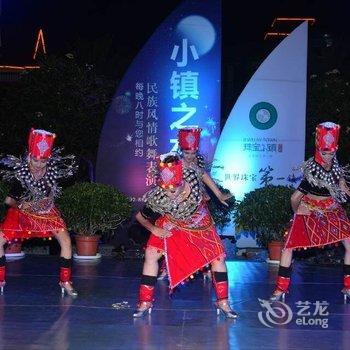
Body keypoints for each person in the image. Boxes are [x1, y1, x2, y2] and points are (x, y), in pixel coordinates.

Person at [133, 152, 237, 318]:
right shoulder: (159, 196)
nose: (171, 194)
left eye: (175, 189)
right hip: (172, 221)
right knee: (151, 253)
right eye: (167, 191)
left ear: (182, 181)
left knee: (218, 258)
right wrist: (154, 229)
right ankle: (145, 301)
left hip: (198, 221)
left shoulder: (192, 175)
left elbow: (203, 173)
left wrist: (218, 194)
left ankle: (223, 301)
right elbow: (140, 217)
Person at [269, 122, 350, 302]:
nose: (328, 157)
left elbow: (342, 187)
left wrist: (343, 190)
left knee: (349, 243)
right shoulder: (313, 170)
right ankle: (280, 289)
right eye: (325, 153)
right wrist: (297, 212)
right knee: (289, 248)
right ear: (318, 150)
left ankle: (348, 287)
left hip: (331, 209)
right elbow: (294, 197)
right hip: (309, 210)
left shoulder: (336, 167)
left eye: (331, 153)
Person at [0, 128, 78, 296]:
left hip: (45, 212)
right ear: (30, 157)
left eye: (43, 161)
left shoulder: (50, 172)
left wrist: (48, 201)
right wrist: (23, 205)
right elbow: (9, 201)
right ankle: (1, 279)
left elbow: (50, 192)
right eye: (35, 161)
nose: (38, 165)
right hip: (21, 211)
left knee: (65, 241)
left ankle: (65, 281)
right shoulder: (22, 174)